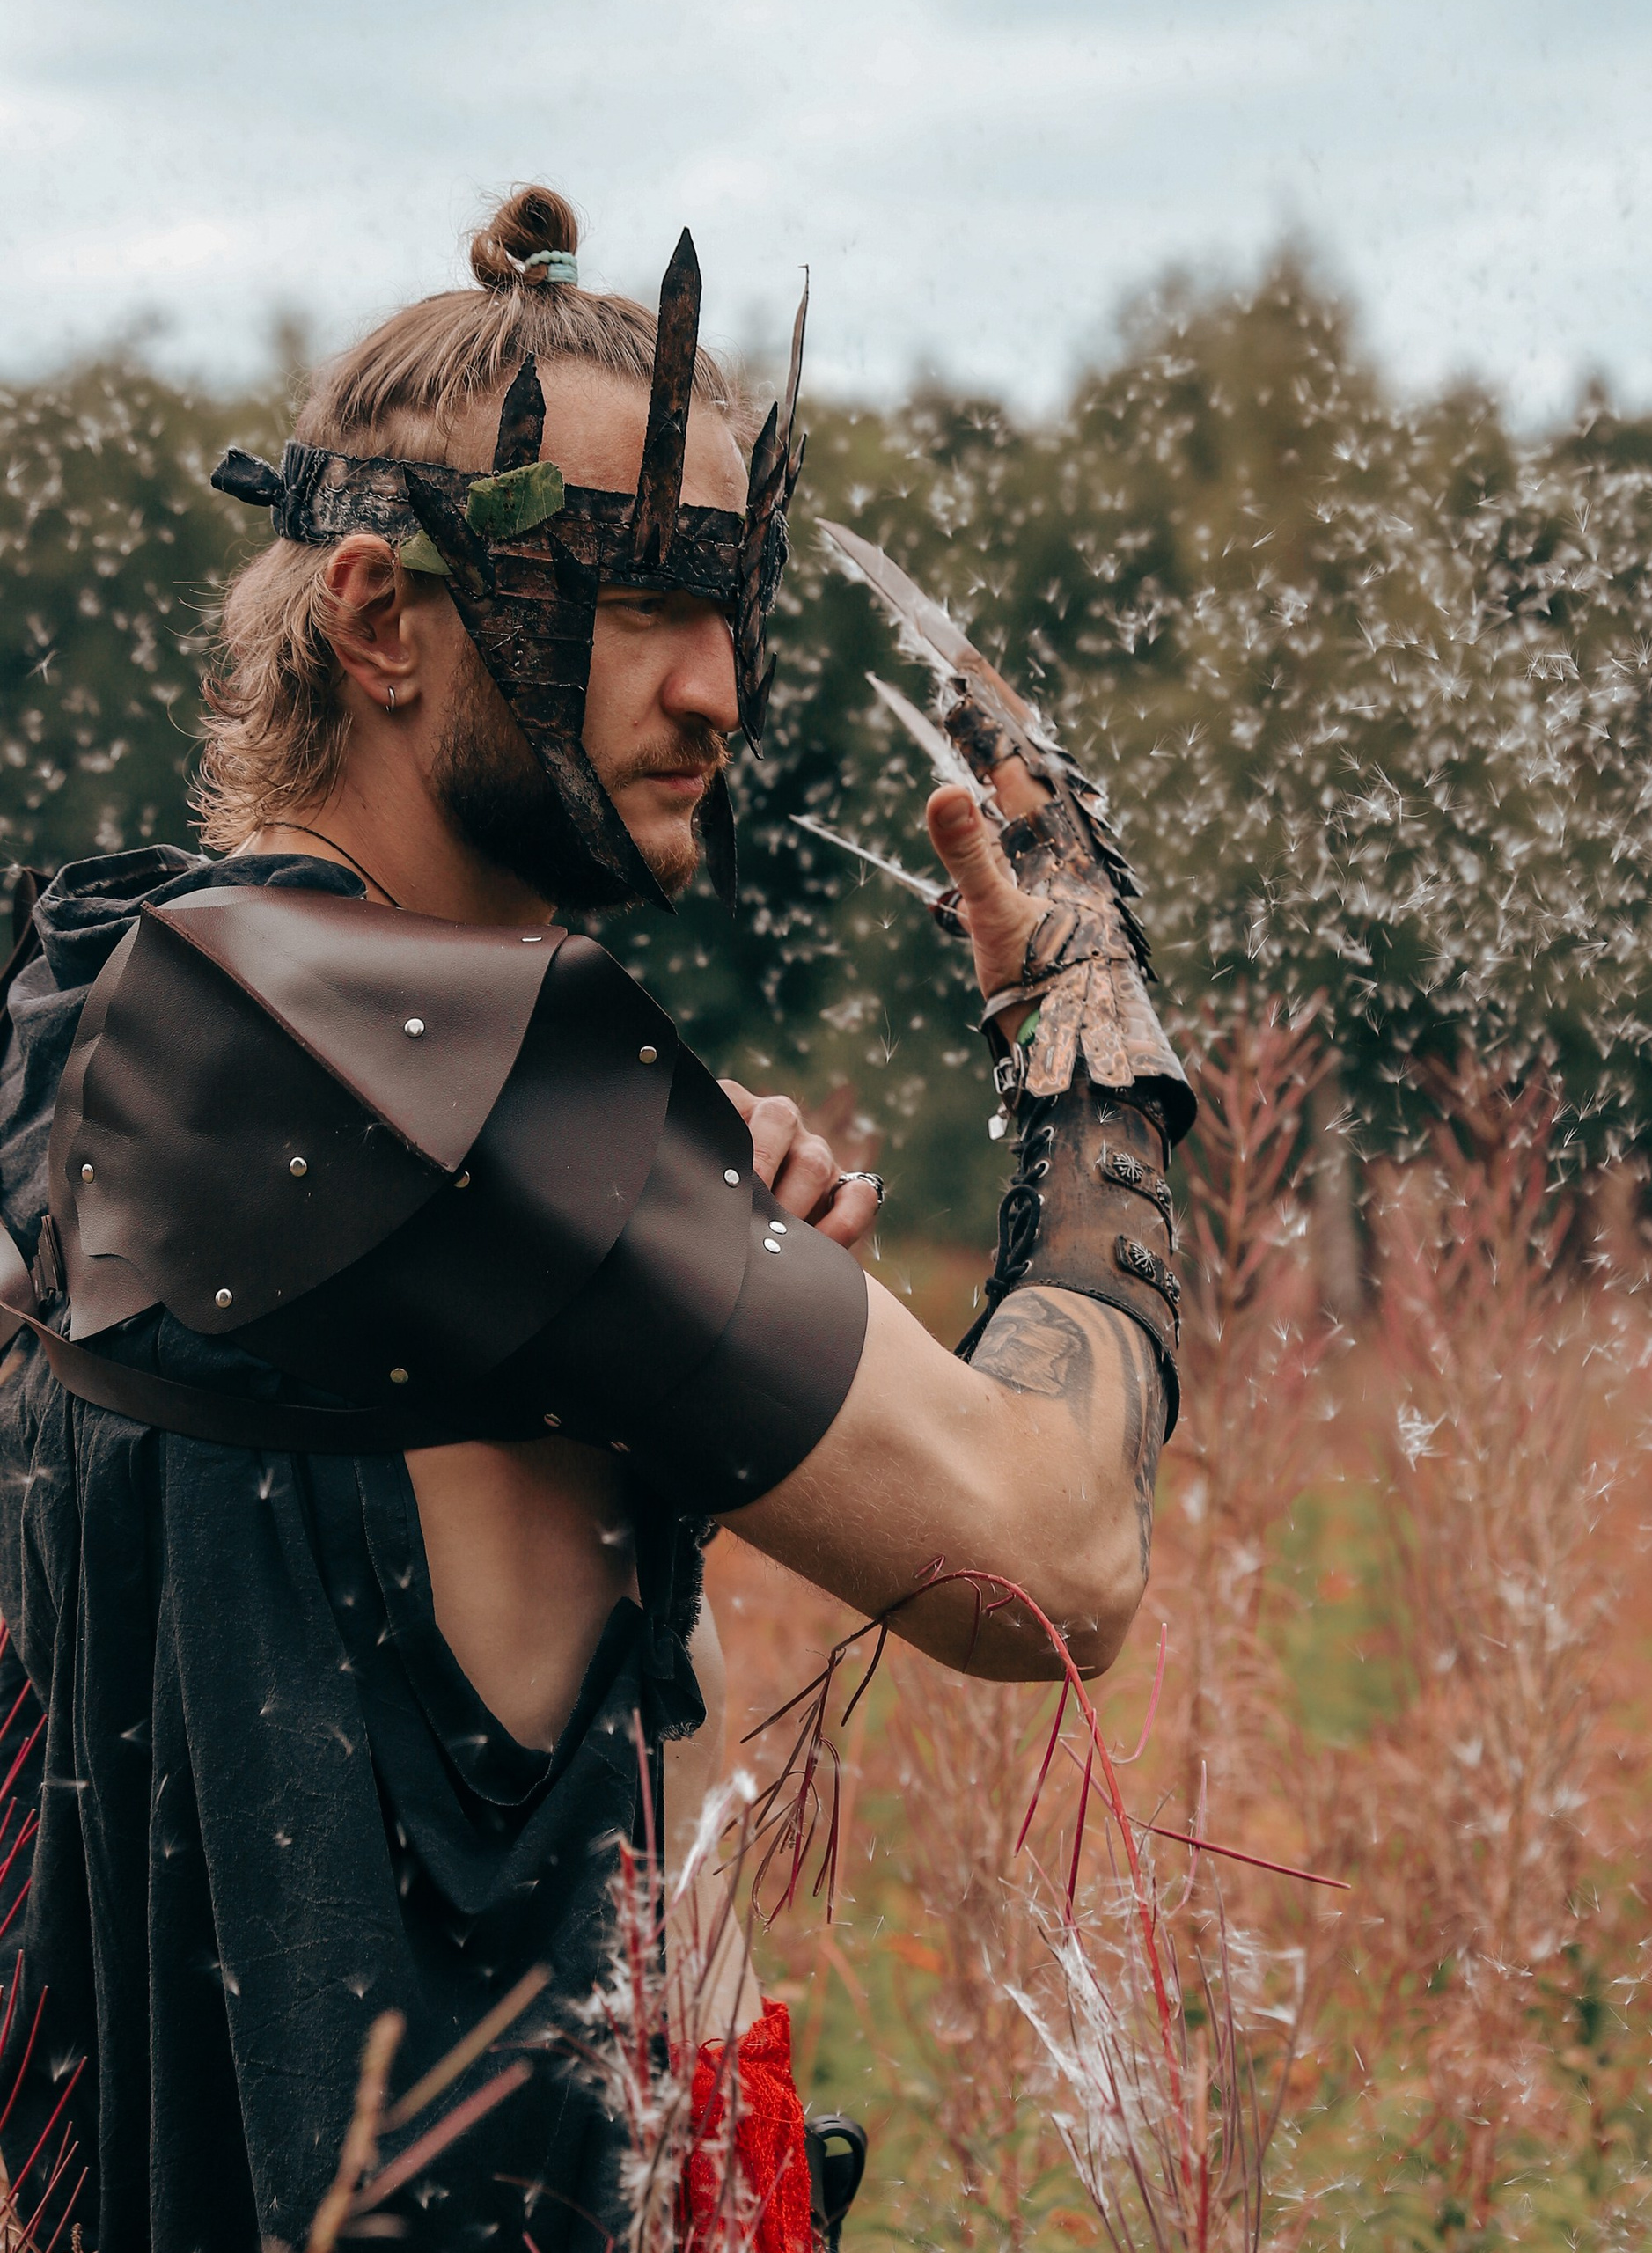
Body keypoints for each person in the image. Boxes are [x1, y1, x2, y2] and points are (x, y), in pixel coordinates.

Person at [0, 186, 1189, 2251]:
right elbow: (1054, 1558)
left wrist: (654, 1307)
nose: (717, 689)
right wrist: (1087, 1052)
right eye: (635, 596)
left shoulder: (100, 1014)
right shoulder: (458, 1104)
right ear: (377, 621)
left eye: (732, 603)